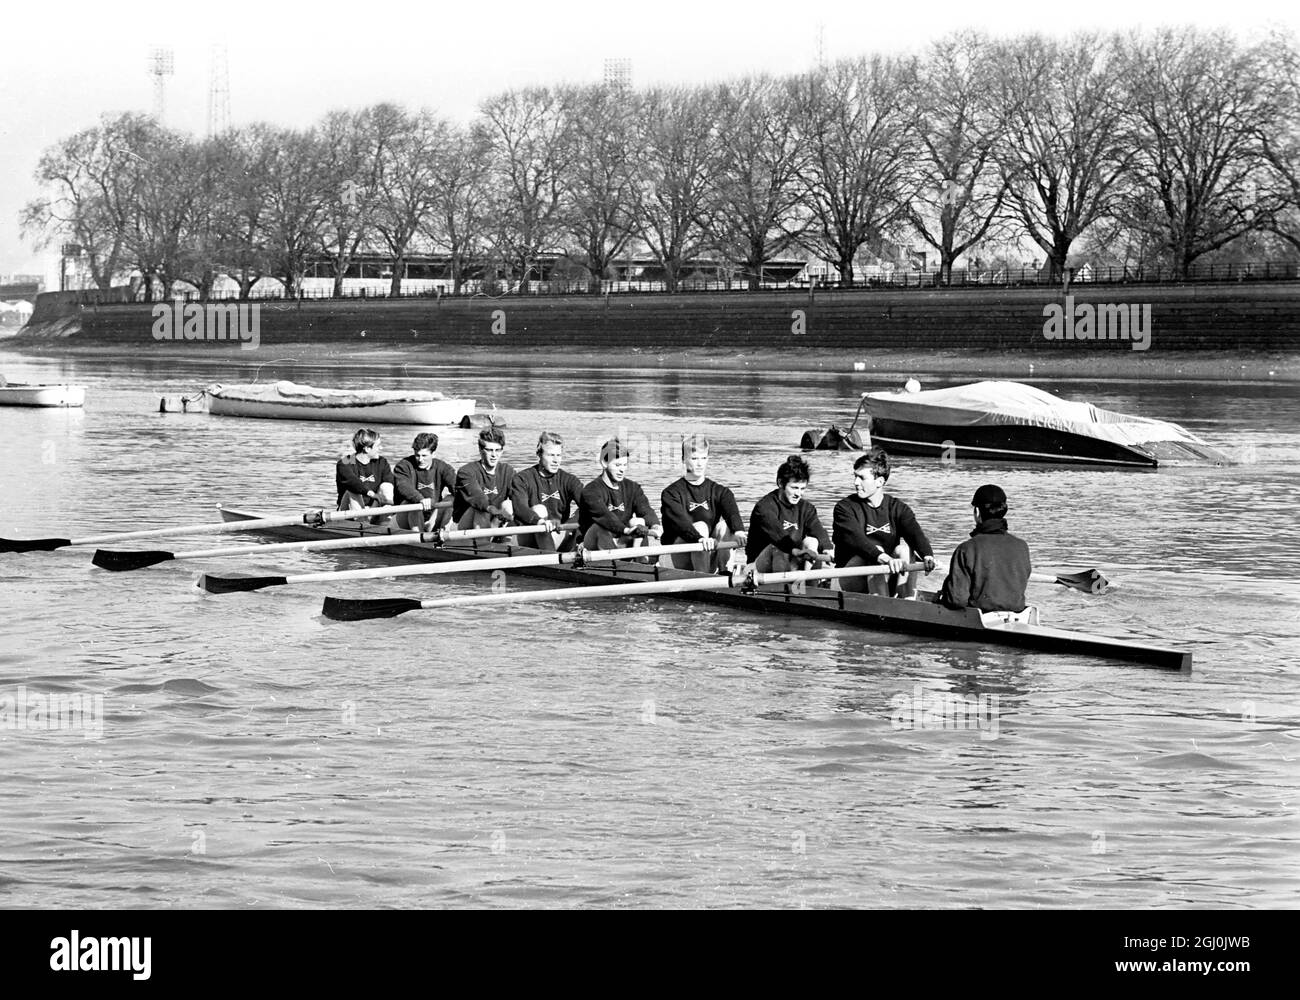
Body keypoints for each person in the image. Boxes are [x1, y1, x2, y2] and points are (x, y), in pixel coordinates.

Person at [832, 447, 937, 598]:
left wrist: (927, 555)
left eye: (861, 478)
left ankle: (907, 600)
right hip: (849, 579)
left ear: (879, 481)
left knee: (904, 550)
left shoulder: (898, 508)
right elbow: (857, 540)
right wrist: (883, 557)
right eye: (855, 476)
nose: (855, 482)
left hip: (885, 573)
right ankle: (881, 602)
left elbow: (915, 534)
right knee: (875, 550)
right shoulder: (844, 508)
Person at [660, 433, 747, 572]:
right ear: (684, 459)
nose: (700, 463)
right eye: (694, 458)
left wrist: (740, 532)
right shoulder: (671, 493)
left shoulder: (721, 492)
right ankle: (705, 580)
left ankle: (725, 573)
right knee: (701, 526)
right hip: (675, 557)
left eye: (703, 458)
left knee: (725, 526)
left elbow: (733, 515)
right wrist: (699, 538)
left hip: (706, 551)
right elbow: (681, 524)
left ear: (708, 459)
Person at [939, 484, 1032, 613]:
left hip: (978, 620)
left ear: (977, 512)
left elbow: (956, 600)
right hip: (1017, 616)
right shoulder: (1022, 546)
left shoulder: (966, 549)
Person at [745, 454, 831, 573]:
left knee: (812, 542)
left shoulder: (807, 508)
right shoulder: (764, 507)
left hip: (791, 560)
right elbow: (778, 536)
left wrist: (828, 548)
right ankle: (783, 588)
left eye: (802, 489)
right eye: (794, 488)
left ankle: (809, 587)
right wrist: (795, 551)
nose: (798, 494)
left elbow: (818, 530)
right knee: (778, 548)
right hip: (758, 567)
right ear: (781, 483)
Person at [578, 438, 663, 550]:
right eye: (617, 465)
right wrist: (627, 530)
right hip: (593, 543)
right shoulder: (591, 490)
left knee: (638, 522)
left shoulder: (633, 488)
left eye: (624, 465)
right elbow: (605, 516)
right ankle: (616, 561)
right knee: (599, 527)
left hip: (622, 539)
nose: (622, 470)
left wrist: (656, 526)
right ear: (604, 463)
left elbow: (646, 511)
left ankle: (642, 562)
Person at [509, 431, 583, 551]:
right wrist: (540, 522)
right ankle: (553, 562)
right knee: (540, 509)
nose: (556, 460)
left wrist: (567, 525)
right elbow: (520, 509)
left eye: (558, 455)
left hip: (558, 533)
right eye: (550, 455)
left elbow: (589, 505)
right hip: (530, 536)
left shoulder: (569, 480)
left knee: (589, 511)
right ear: (539, 454)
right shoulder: (522, 478)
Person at [452, 426, 516, 530]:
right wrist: (493, 510)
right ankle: (485, 543)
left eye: (498, 450)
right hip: (465, 525)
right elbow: (478, 497)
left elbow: (519, 496)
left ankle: (504, 542)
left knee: (509, 505)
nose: (494, 455)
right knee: (481, 510)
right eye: (490, 450)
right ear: (481, 450)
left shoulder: (508, 471)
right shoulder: (466, 472)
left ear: (502, 451)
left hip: (495, 520)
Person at [392, 432, 456, 532]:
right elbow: (403, 486)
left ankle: (443, 535)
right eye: (417, 455)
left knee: (451, 498)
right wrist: (420, 499)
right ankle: (418, 539)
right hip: (404, 519)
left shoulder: (443, 467)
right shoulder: (403, 466)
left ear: (433, 454)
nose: (420, 460)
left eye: (424, 455)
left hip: (431, 518)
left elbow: (456, 486)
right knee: (413, 504)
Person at [336, 428, 395, 521]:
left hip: (373, 509)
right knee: (352, 491)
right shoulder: (345, 461)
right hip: (349, 511)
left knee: (387, 486)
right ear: (367, 449)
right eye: (378, 446)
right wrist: (371, 494)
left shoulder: (381, 462)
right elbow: (352, 482)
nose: (381, 448)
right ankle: (362, 523)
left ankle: (384, 523)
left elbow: (391, 483)